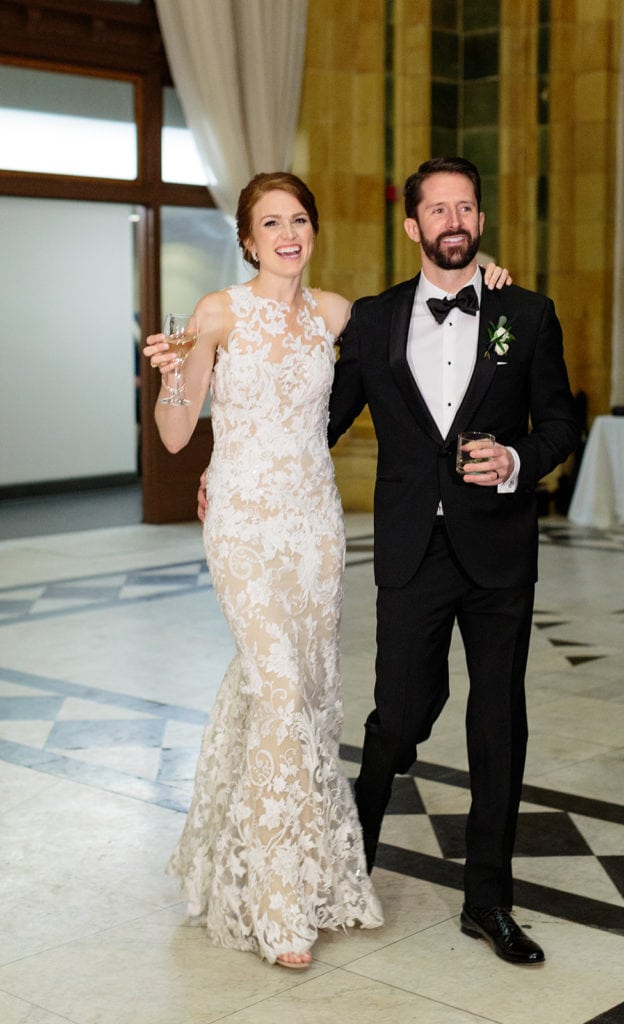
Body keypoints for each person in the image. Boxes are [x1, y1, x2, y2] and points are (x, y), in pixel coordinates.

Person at [325, 156, 580, 965]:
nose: (452, 220)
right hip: (408, 549)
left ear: (479, 219)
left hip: (498, 550)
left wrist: (513, 461)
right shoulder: (371, 319)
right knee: (397, 718)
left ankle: (488, 902)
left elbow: (561, 426)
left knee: (497, 724)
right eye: (437, 209)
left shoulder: (527, 313)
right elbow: (317, 422)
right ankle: (345, 870)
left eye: (464, 206)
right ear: (412, 227)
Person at [143, 172, 384, 970]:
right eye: (270, 222)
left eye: (299, 219)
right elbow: (178, 437)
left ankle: (271, 865)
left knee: (301, 695)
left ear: (312, 231)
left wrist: (486, 278)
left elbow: (417, 331)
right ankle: (277, 907)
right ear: (247, 239)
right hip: (245, 523)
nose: (287, 232)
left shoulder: (337, 314)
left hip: (316, 527)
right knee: (278, 686)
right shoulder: (218, 311)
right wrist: (172, 372)